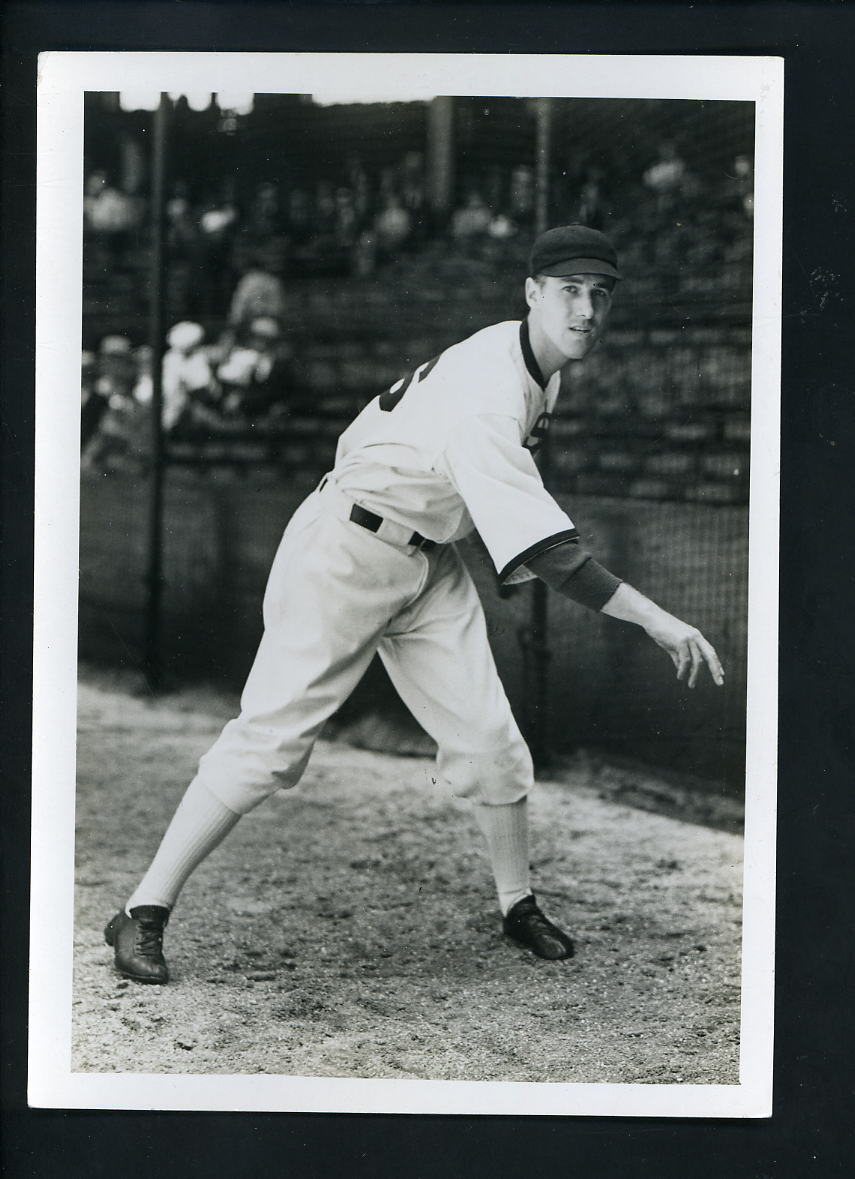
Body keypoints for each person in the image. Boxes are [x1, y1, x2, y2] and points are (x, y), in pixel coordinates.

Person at [105, 224, 724, 984]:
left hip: (426, 559)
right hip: (345, 551)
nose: (586, 309)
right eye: (568, 291)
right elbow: (554, 557)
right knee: (269, 745)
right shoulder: (492, 395)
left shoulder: (534, 358)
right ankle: (143, 909)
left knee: (493, 743)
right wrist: (658, 619)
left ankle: (515, 900)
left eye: (599, 294)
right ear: (532, 294)